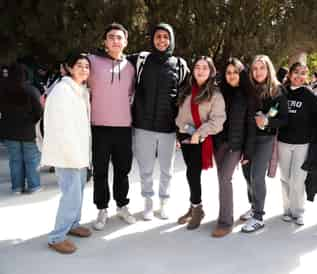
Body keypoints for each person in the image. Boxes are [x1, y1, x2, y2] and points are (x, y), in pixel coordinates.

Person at [128, 23, 189, 220]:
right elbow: (116, 60)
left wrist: (183, 129)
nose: (162, 40)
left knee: (166, 170)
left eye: (165, 37)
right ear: (152, 39)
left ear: (171, 39)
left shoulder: (179, 64)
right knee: (145, 169)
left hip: (168, 128)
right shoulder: (141, 59)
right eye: (158, 36)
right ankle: (148, 202)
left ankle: (164, 202)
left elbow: (188, 94)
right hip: (143, 126)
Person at [41, 52, 92, 254]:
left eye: (87, 66)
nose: (83, 69)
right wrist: (71, 153)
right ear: (69, 68)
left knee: (78, 192)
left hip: (79, 152)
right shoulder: (62, 90)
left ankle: (73, 224)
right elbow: (58, 126)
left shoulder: (80, 90)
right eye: (79, 65)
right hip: (67, 153)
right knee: (71, 195)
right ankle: (56, 237)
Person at [88, 23, 136, 230]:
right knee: (100, 170)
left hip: (124, 127)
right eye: (111, 37)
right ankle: (101, 209)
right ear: (105, 42)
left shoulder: (131, 67)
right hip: (99, 126)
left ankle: (122, 205)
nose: (115, 40)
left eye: (119, 37)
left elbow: (131, 94)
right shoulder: (91, 61)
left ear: (125, 42)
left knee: (122, 170)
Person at [175, 56, 226, 230]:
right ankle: (193, 206)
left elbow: (218, 121)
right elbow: (180, 113)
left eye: (205, 67)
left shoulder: (215, 94)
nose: (200, 70)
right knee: (191, 173)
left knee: (192, 173)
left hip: (201, 139)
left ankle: (197, 209)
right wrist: (179, 132)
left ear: (211, 71)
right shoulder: (187, 89)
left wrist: (199, 133)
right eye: (197, 66)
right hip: (185, 136)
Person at [240, 55, 288, 233]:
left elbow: (283, 119)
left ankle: (258, 216)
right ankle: (254, 206)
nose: (258, 72)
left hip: (265, 139)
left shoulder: (277, 90)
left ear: (269, 69)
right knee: (246, 174)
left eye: (262, 68)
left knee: (256, 176)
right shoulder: (248, 89)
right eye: (255, 68)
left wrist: (267, 122)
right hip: (248, 139)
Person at [212, 58, 255, 237]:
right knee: (221, 180)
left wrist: (248, 150)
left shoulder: (247, 95)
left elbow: (251, 125)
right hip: (218, 143)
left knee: (224, 178)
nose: (231, 76)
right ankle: (223, 214)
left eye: (235, 72)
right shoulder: (219, 91)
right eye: (228, 72)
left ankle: (226, 222)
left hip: (235, 145)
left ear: (241, 74)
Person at [278, 62, 317, 226]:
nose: (299, 76)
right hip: (283, 142)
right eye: (296, 72)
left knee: (298, 179)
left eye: (303, 73)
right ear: (289, 74)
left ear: (307, 77)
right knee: (285, 178)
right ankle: (287, 210)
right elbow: (274, 110)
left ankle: (299, 211)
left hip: (302, 144)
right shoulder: (282, 92)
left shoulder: (310, 95)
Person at [0, 64, 42, 194]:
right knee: (31, 159)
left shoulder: (2, 90)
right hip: (28, 130)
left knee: (15, 160)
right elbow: (39, 111)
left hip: (9, 131)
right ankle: (34, 186)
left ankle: (17, 187)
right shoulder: (31, 90)